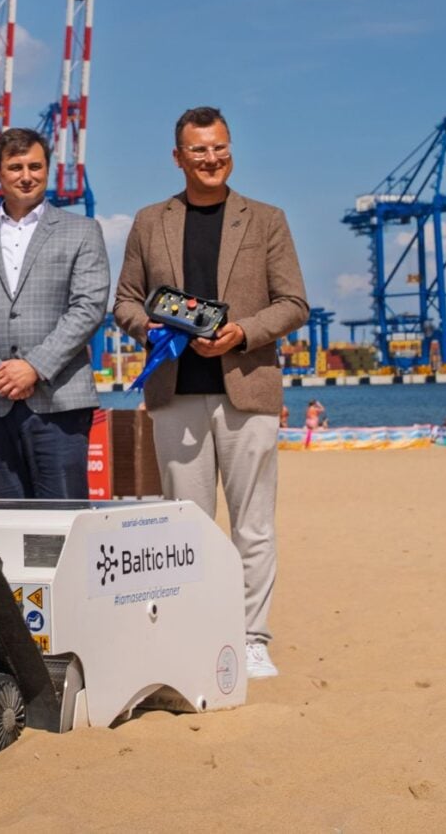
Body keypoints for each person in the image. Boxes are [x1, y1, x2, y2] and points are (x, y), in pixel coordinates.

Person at [114, 105, 308, 680]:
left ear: (231, 149)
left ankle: (251, 637)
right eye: (198, 150)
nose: (211, 158)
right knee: (187, 527)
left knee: (253, 524)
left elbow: (294, 303)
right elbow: (125, 299)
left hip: (248, 391)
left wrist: (242, 333)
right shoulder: (151, 221)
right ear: (178, 157)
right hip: (175, 394)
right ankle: (194, 628)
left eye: (219, 147)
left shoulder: (266, 219)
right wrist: (148, 327)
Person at [0, 127, 110, 499]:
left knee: (64, 521)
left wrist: (34, 367)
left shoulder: (82, 231)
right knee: (4, 520)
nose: (27, 176)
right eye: (15, 167)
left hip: (59, 400)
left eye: (35, 166)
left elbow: (89, 306)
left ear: (47, 170)